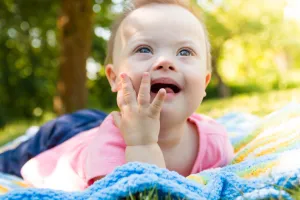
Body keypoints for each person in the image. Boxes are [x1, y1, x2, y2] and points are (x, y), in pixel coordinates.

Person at [20, 0, 234, 191]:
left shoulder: (215, 143)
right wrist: (142, 145)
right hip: (64, 134)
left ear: (205, 82)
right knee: (15, 157)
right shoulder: (108, 148)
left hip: (92, 125)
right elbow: (143, 193)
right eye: (144, 49)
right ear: (114, 78)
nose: (165, 61)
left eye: (185, 52)